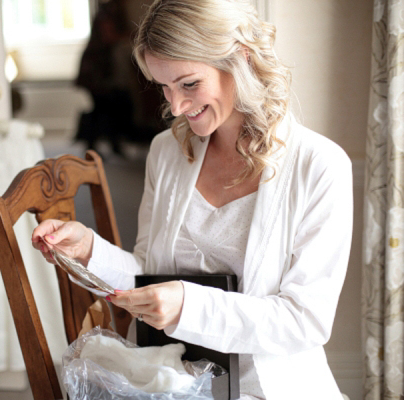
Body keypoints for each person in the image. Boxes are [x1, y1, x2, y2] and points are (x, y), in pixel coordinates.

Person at [32, 0, 353, 399]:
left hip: (268, 387)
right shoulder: (166, 152)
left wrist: (189, 306)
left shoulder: (319, 166)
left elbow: (305, 320)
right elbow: (148, 275)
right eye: (164, 87)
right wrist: (88, 250)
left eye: (188, 84)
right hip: (173, 381)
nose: (177, 107)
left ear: (241, 59)